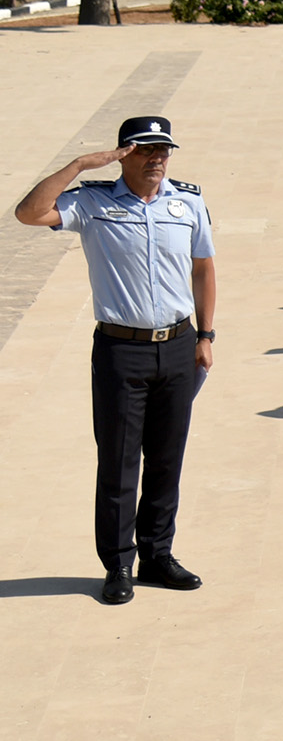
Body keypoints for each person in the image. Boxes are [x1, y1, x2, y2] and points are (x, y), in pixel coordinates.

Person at [16, 117, 216, 605]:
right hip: (119, 351)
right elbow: (28, 213)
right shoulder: (91, 202)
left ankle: (158, 556)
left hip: (178, 346)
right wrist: (82, 163)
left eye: (163, 150)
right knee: (120, 463)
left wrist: (206, 336)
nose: (157, 159)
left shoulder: (186, 202)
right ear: (124, 154)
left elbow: (204, 268)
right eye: (146, 150)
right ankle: (119, 565)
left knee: (167, 459)